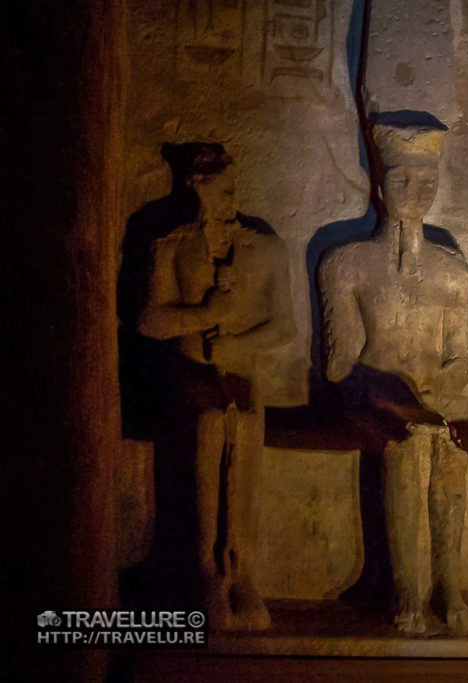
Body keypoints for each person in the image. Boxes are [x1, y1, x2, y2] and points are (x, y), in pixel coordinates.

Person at [318, 119, 468, 635]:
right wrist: (388, 387)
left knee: (447, 453)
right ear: (380, 186)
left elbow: (461, 361)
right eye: (404, 180)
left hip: (427, 403)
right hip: (371, 397)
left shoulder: (452, 269)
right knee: (412, 447)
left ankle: (449, 586)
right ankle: (410, 593)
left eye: (427, 182)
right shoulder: (346, 262)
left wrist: (434, 386)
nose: (415, 193)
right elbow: (340, 362)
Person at [136, 142, 294, 630]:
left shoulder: (263, 247)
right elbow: (150, 320)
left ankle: (239, 561)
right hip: (189, 374)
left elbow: (284, 327)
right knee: (208, 425)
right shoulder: (172, 244)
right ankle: (204, 564)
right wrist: (203, 316)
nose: (223, 202)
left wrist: (237, 345)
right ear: (193, 189)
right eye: (212, 192)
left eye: (228, 191)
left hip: (238, 369)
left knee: (242, 426)